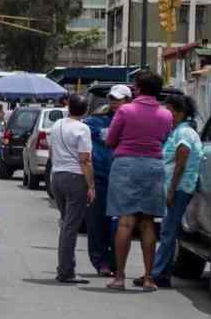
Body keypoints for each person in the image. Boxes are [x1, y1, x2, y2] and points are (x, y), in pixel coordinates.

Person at [105, 71, 173, 292]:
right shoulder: (166, 114)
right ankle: (148, 279)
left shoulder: (125, 110)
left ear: (138, 88)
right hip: (153, 166)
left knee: (125, 222)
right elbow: (164, 139)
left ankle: (119, 277)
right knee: (148, 223)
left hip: (126, 165)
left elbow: (110, 140)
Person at [144, 92, 202, 289]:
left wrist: (171, 190)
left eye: (168, 110)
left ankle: (157, 273)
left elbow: (181, 163)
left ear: (179, 112)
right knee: (167, 230)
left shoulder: (184, 133)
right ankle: (161, 272)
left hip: (179, 188)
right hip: (174, 186)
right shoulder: (177, 131)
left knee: (168, 231)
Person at [49, 93, 95, 284]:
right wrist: (91, 185)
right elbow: (85, 160)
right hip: (75, 177)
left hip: (57, 176)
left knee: (66, 223)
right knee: (70, 227)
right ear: (85, 111)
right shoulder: (83, 128)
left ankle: (64, 267)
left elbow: (51, 152)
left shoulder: (57, 125)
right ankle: (66, 271)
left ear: (68, 107)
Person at [84, 86, 130, 276]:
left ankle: (115, 262)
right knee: (97, 222)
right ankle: (100, 262)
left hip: (124, 178)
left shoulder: (134, 121)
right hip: (100, 176)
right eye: (112, 99)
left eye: (119, 99)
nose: (114, 102)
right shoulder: (95, 121)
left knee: (119, 224)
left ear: (128, 100)